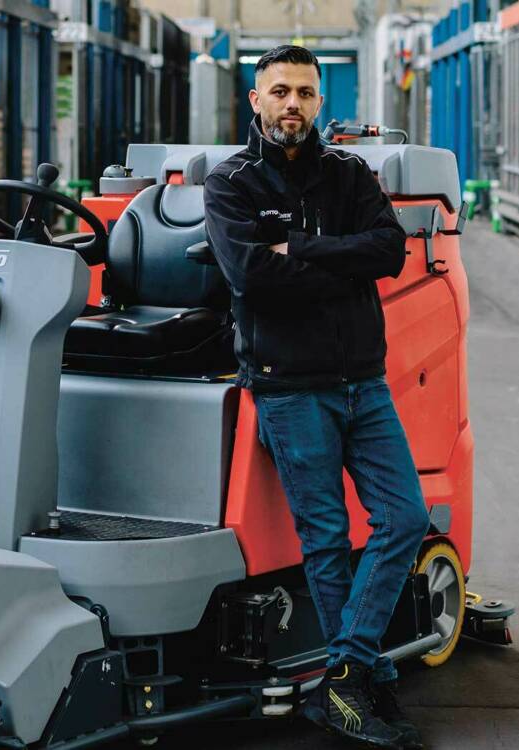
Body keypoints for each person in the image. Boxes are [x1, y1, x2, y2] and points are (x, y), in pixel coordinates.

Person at [203, 45, 430, 750]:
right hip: (289, 387)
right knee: (327, 540)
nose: (292, 103)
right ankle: (356, 683)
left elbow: (388, 253)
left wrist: (295, 251)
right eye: (280, 91)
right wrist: (335, 256)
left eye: (304, 91)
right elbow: (249, 276)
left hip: (363, 379)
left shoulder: (349, 173)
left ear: (319, 100)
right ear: (256, 100)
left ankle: (345, 674)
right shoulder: (230, 183)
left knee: (405, 517)